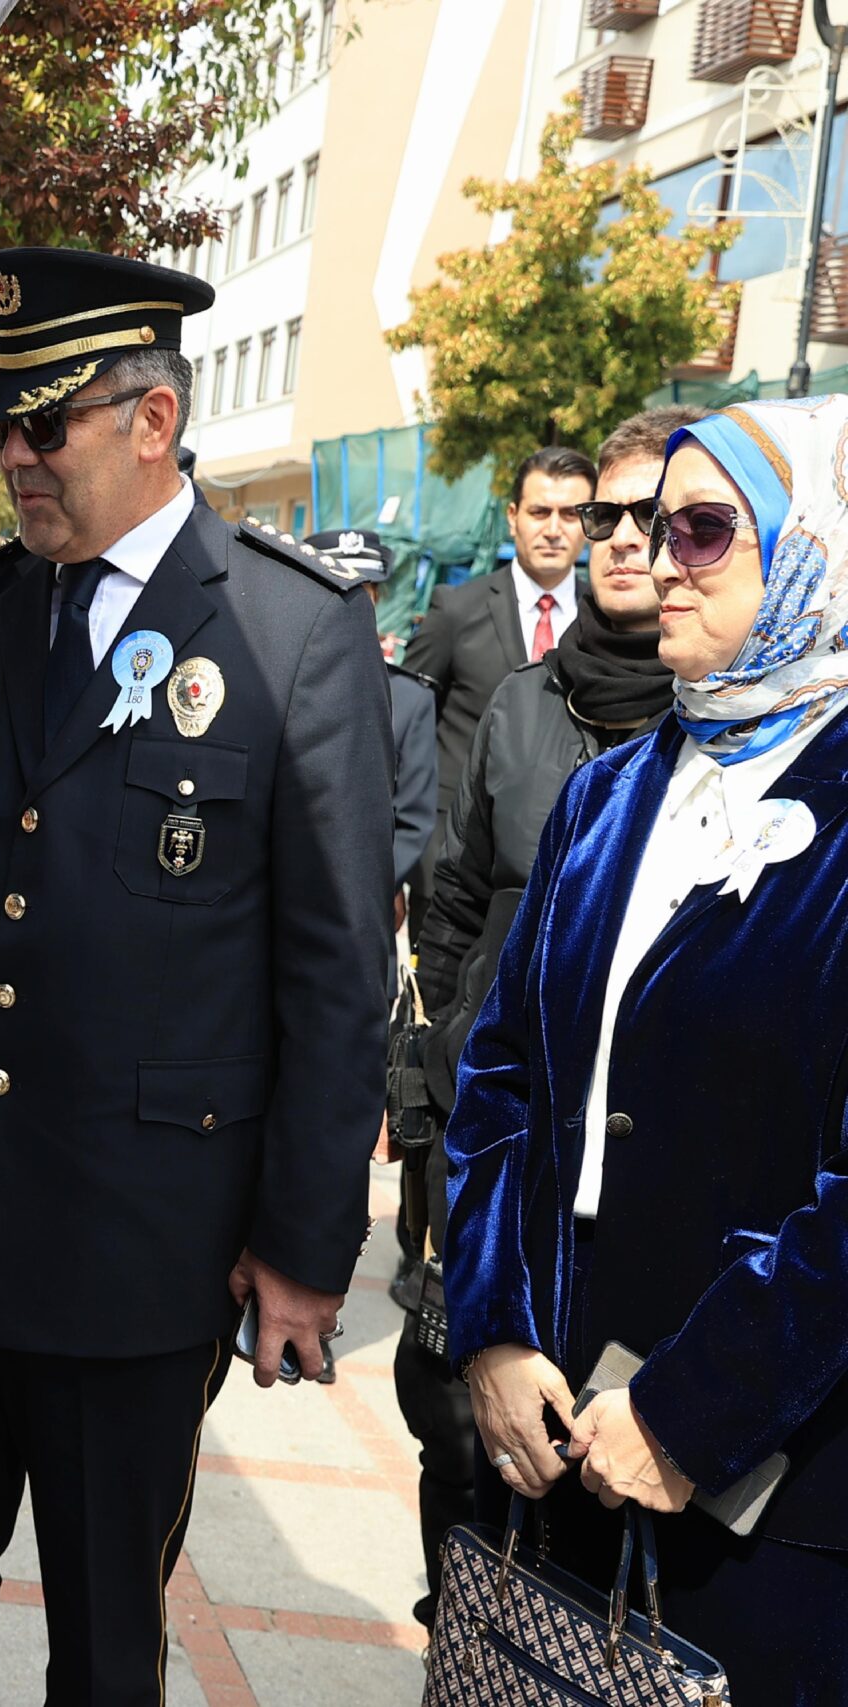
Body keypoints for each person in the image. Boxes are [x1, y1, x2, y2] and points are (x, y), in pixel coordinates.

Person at [0, 247, 392, 1706]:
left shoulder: (288, 629)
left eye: (46, 422)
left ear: (151, 421)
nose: (14, 453)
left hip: (137, 1248)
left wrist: (305, 1245)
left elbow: (335, 971)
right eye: (1, 421)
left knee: (103, 1639)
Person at [443, 396, 848, 1703]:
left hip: (772, 1493)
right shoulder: (607, 794)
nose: (659, 555)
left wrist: (689, 1408)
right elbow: (503, 1071)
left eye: (705, 528)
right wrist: (495, 1327)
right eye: (645, 523)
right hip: (552, 1442)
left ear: (808, 549)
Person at [390, 406, 694, 1635]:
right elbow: (454, 898)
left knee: (598, 1470)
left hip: (635, 1174)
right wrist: (435, 1061)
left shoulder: (721, 735)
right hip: (491, 1129)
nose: (621, 542)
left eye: (651, 517)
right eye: (599, 516)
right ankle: (462, 1636)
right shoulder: (519, 705)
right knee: (456, 1420)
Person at [403, 445, 597, 921]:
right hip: (456, 872)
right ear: (513, 517)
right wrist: (409, 861)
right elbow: (402, 738)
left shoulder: (605, 621)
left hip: (568, 876)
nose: (553, 529)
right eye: (539, 512)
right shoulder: (456, 611)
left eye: (571, 514)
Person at [310, 529, 437, 920]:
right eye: (336, 583)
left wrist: (372, 885)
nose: (350, 599)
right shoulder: (273, 682)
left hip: (362, 910)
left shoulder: (410, 699)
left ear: (377, 598)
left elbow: (413, 819)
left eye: (363, 589)